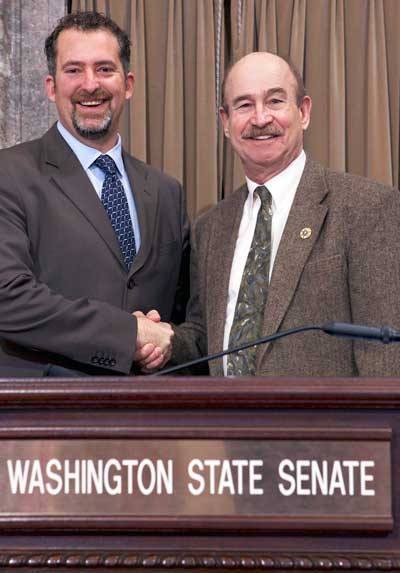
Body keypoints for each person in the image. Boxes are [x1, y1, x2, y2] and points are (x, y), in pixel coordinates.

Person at [163, 51, 400, 377]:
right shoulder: (210, 227)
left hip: (326, 427)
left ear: (303, 112)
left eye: (275, 101)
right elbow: (207, 342)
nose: (260, 119)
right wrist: (161, 340)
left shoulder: (367, 208)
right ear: (225, 122)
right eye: (244, 105)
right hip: (225, 425)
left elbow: (385, 357)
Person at [0, 11, 189, 377]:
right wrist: (127, 334)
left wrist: (166, 341)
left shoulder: (167, 192)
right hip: (46, 418)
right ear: (52, 87)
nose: (90, 84)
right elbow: (7, 296)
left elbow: (182, 319)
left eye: (105, 69)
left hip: (154, 418)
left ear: (128, 84)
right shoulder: (9, 174)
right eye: (73, 70)